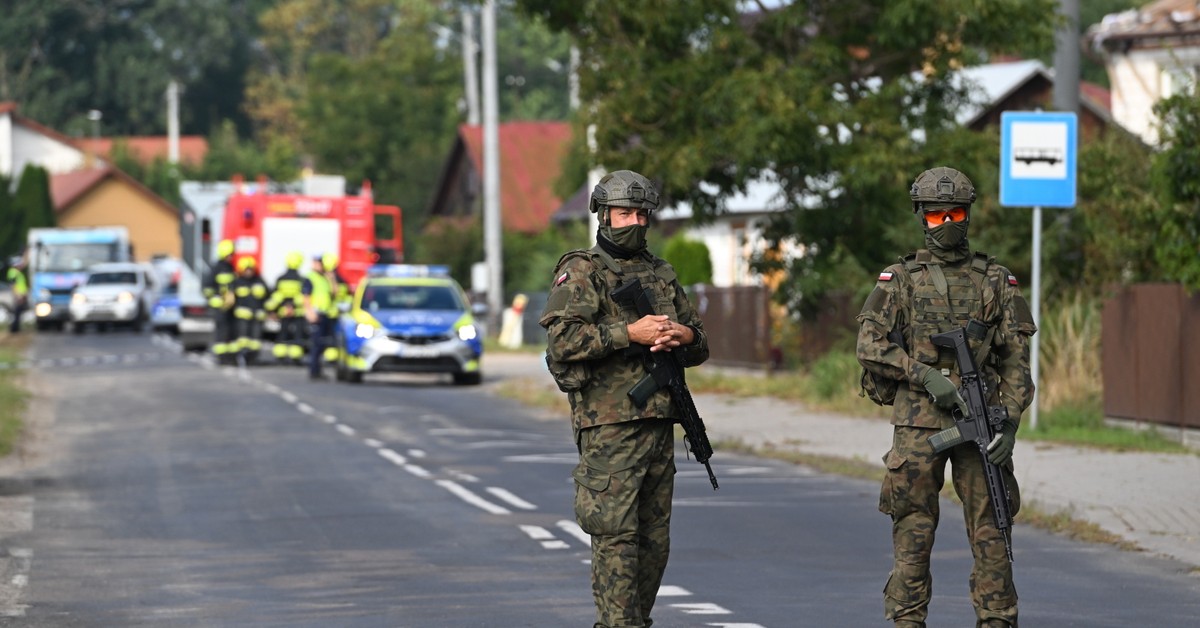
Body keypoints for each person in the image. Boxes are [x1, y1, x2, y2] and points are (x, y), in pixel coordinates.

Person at [856, 166, 1037, 628]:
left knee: (993, 531)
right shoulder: (899, 278)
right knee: (913, 533)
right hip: (919, 426)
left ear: (968, 215)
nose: (948, 224)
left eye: (955, 213)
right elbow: (870, 346)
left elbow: (1017, 363)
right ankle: (907, 622)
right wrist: (922, 375)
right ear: (922, 217)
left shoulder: (996, 280)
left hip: (984, 423)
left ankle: (997, 620)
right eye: (937, 216)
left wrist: (1011, 422)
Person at [538, 169, 710, 628]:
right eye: (623, 213)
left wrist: (682, 332)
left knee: (654, 545)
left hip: (659, 427)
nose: (633, 221)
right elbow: (562, 343)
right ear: (603, 215)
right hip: (610, 429)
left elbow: (701, 344)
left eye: (640, 213)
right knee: (616, 540)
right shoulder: (581, 271)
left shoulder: (661, 274)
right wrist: (627, 332)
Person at [301, 253, 347, 380]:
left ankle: (318, 370)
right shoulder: (310, 277)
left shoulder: (325, 278)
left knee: (323, 344)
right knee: (316, 344)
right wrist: (310, 313)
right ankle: (314, 371)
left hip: (326, 315)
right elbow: (306, 297)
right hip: (316, 315)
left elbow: (335, 292)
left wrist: (331, 278)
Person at [265, 251, 307, 365]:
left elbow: (276, 296)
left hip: (283, 311)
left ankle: (280, 354)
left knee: (283, 332)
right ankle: (295, 355)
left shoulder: (281, 278)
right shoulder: (301, 279)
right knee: (298, 333)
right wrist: (292, 306)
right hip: (297, 311)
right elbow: (303, 296)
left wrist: (272, 310)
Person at [203, 239, 237, 364]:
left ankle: (230, 356)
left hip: (230, 306)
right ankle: (221, 356)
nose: (231, 256)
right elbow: (207, 288)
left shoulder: (230, 268)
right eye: (230, 254)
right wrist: (217, 299)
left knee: (231, 331)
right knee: (221, 331)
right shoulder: (216, 268)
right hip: (220, 307)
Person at [230, 256, 268, 364]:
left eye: (250, 269)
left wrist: (267, 311)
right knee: (242, 339)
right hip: (242, 317)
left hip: (257, 316)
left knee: (255, 340)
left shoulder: (259, 281)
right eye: (246, 269)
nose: (248, 272)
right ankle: (241, 356)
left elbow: (267, 296)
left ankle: (253, 358)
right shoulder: (237, 282)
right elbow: (231, 299)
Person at [6, 255, 28, 333]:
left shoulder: (17, 272)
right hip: (18, 296)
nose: (21, 265)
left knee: (18, 313)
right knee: (16, 312)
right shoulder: (13, 272)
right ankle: (14, 329)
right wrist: (18, 296)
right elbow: (13, 285)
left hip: (20, 295)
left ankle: (16, 328)